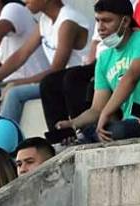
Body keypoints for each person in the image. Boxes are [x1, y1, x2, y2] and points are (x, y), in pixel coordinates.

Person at [57, 0, 140, 143]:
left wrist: (106, 114)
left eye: (107, 21)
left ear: (125, 21)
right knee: (96, 131)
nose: (100, 27)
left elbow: (131, 77)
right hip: (130, 123)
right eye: (97, 21)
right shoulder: (104, 58)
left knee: (114, 130)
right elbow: (96, 109)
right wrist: (73, 124)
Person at [36, 0, 97, 142]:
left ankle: (84, 131)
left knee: (71, 77)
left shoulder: (68, 20)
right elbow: (21, 54)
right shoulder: (44, 21)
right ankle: (61, 137)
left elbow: (57, 67)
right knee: (48, 83)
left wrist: (17, 83)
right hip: (77, 70)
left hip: (77, 73)